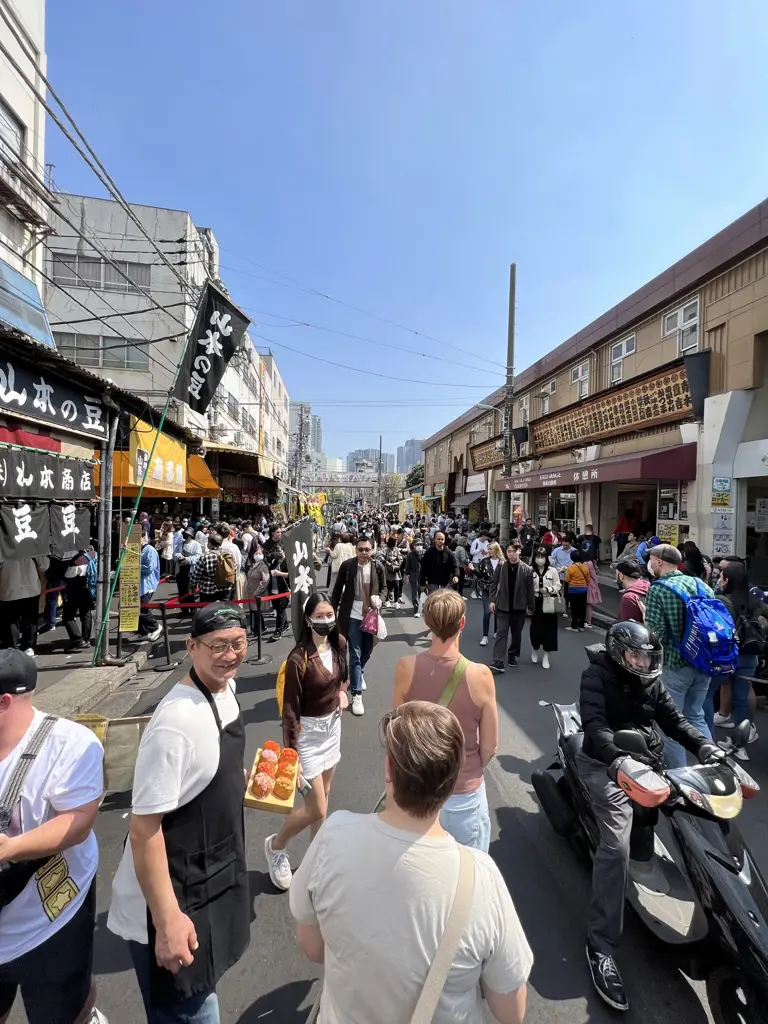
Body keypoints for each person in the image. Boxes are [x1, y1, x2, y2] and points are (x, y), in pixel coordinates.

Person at [289, 701, 533, 1024]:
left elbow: (312, 945)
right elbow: (511, 1012)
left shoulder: (334, 836)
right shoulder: (481, 880)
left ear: (389, 770)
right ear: (451, 781)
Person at [108, 603, 251, 1023]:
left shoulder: (226, 690)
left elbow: (204, 770)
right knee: (193, 1011)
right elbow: (144, 829)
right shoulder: (175, 722)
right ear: (191, 647)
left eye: (238, 643)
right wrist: (167, 918)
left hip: (212, 870)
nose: (230, 655)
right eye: (218, 646)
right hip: (172, 895)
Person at [577, 620, 719, 1011]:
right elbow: (595, 727)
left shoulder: (652, 681)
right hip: (605, 763)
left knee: (697, 812)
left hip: (646, 760)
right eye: (635, 656)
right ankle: (600, 946)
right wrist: (617, 759)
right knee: (615, 846)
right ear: (618, 653)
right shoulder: (596, 676)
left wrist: (704, 747)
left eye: (647, 657)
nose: (643, 663)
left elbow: (675, 720)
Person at [0, 649, 106, 1024]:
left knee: (60, 1013)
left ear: (4, 701)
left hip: (50, 920)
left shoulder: (70, 744)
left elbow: (79, 821)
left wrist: (11, 847)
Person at [393, 590, 498, 851]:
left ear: (427, 623)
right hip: (464, 793)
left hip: (419, 791)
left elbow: (398, 736)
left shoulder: (406, 667)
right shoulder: (480, 675)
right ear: (462, 623)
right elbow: (489, 747)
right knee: (469, 877)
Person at [264, 595, 349, 890]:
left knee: (324, 795)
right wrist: (291, 755)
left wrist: (342, 692)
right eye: (320, 616)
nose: (326, 621)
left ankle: (316, 859)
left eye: (330, 615)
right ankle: (276, 845)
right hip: (308, 735)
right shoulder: (298, 659)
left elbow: (343, 679)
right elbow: (289, 711)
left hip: (332, 729)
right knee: (317, 809)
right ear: (309, 619)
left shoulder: (340, 644)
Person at [644, 543, 714, 767]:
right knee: (695, 715)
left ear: (659, 562)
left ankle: (680, 777)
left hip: (675, 663)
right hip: (704, 661)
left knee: (671, 723)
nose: (650, 563)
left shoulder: (659, 588)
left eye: (652, 559)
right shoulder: (700, 583)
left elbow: (655, 636)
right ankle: (713, 764)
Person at [706, 563, 764, 756]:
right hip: (750, 656)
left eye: (721, 577)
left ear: (727, 580)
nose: (719, 580)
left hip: (726, 656)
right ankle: (741, 746)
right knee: (742, 698)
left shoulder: (722, 600)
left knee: (707, 694)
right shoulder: (754, 600)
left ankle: (706, 741)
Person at [331, 536, 386, 717]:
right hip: (352, 616)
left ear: (372, 550)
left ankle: (358, 674)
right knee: (354, 654)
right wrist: (332, 614)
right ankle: (356, 694)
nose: (364, 553)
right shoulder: (347, 566)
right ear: (355, 550)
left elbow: (385, 588)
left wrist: (381, 599)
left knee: (367, 651)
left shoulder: (378, 567)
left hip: (371, 616)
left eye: (367, 549)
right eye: (360, 549)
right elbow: (337, 591)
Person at [489, 543, 534, 671]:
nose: (511, 554)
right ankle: (498, 661)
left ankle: (512, 654)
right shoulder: (501, 566)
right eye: (509, 551)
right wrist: (492, 600)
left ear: (519, 552)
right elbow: (494, 583)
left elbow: (529, 590)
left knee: (516, 634)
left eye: (514, 551)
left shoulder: (527, 569)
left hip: (519, 607)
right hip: (502, 605)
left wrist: (531, 606)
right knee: (501, 633)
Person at [0, 556, 48, 657]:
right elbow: (44, 565)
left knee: (11, 620)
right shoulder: (33, 543)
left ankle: (11, 646)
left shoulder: (3, 543)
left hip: (9, 587)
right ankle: (28, 646)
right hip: (31, 587)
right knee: (30, 619)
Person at [529, 546, 560, 670]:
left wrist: (549, 589)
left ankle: (546, 656)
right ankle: (534, 649)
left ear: (546, 558)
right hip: (535, 601)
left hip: (549, 600)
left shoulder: (552, 571)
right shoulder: (530, 570)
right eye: (538, 557)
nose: (540, 559)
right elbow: (526, 586)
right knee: (535, 629)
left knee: (550, 630)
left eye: (542, 557)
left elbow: (558, 585)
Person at [62, 547, 97, 651]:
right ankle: (86, 640)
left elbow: (68, 575)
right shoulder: (94, 555)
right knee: (86, 614)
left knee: (67, 616)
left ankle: (77, 639)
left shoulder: (78, 560)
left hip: (76, 590)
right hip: (90, 589)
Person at [190, 531, 235, 605]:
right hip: (225, 589)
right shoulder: (228, 555)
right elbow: (234, 571)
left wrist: (193, 586)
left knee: (207, 613)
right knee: (224, 611)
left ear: (210, 544)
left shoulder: (205, 557)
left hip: (208, 590)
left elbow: (196, 575)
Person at [477, 541, 504, 647]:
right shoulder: (484, 561)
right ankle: (485, 636)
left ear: (496, 549)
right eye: (488, 549)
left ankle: (496, 631)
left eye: (491, 549)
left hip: (499, 591)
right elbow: (479, 574)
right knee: (487, 612)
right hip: (486, 590)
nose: (489, 551)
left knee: (497, 612)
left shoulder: (503, 562)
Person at [139, 533, 163, 642]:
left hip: (147, 584)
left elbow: (149, 567)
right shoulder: (141, 549)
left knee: (144, 609)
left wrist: (135, 566)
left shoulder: (150, 550)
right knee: (139, 608)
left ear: (144, 537)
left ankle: (155, 626)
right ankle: (145, 631)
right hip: (140, 584)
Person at [176, 529, 202, 616]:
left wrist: (187, 559)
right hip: (180, 569)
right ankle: (184, 611)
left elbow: (198, 557)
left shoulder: (196, 544)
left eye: (186, 534)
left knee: (189, 592)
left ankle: (193, 610)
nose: (184, 536)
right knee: (181, 591)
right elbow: (175, 553)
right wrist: (178, 556)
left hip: (189, 570)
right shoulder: (181, 543)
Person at [564, 552, 590, 632]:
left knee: (574, 608)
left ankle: (574, 626)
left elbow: (567, 580)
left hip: (573, 590)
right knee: (582, 608)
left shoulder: (570, 568)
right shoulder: (585, 567)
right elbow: (588, 579)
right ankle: (581, 625)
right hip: (583, 590)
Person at [549, 536, 574, 619]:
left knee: (568, 593)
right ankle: (558, 609)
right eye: (563, 545)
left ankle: (566, 609)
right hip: (559, 574)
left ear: (570, 543)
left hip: (570, 576)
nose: (565, 546)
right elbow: (551, 559)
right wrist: (555, 566)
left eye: (566, 545)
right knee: (558, 592)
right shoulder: (557, 550)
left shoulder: (574, 551)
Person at [383, 536, 405, 608]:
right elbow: (381, 557)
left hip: (395, 571)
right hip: (388, 571)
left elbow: (400, 558)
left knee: (397, 586)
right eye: (394, 542)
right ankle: (387, 601)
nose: (395, 543)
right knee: (388, 586)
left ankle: (396, 602)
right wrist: (387, 562)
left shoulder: (396, 549)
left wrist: (398, 565)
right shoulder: (385, 549)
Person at [404, 538, 424, 616]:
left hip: (423, 576)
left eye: (420, 545)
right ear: (414, 546)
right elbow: (407, 567)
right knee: (415, 593)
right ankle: (416, 610)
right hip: (414, 576)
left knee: (423, 592)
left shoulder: (424, 553)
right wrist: (407, 577)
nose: (419, 546)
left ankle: (422, 607)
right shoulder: (410, 555)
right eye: (417, 545)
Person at [469, 532, 490, 597]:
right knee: (476, 576)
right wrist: (479, 550)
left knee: (483, 576)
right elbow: (471, 552)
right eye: (486, 537)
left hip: (484, 560)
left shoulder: (487, 542)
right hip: (476, 561)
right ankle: (473, 591)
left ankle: (480, 590)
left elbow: (488, 550)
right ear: (483, 536)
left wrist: (485, 552)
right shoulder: (476, 542)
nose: (487, 539)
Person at [585, 554, 602, 628]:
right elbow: (597, 572)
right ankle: (588, 622)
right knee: (589, 605)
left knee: (588, 605)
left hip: (588, 585)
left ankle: (588, 622)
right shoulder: (593, 562)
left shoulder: (587, 564)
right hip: (593, 585)